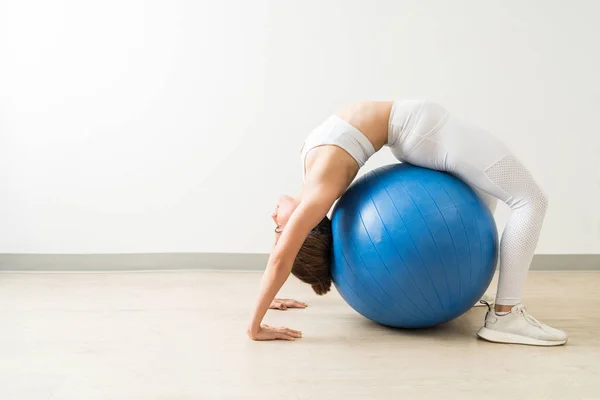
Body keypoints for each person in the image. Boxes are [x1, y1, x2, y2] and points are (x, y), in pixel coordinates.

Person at [247, 100, 567, 346]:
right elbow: (282, 258)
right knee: (530, 200)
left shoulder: (310, 180)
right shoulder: (317, 195)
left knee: (486, 193)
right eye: (279, 228)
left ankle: (470, 288)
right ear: (305, 229)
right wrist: (255, 326)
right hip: (423, 131)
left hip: (419, 130)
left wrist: (272, 297)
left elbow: (284, 255)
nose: (273, 218)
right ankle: (506, 315)